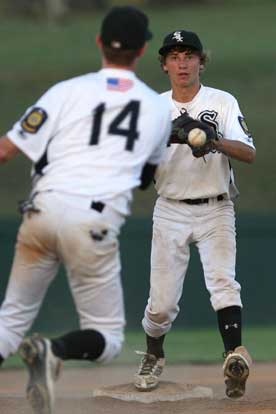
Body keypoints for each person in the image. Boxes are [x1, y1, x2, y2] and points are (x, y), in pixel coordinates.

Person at [0, 6, 172, 414]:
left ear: (99, 42)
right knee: (108, 337)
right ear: (144, 49)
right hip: (92, 222)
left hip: (41, 211)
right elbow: (146, 177)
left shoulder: (66, 91)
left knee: (9, 321)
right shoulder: (156, 108)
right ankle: (53, 349)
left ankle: (36, 346)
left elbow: (6, 150)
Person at [134, 30, 256, 399]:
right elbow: (137, 172)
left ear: (202, 61)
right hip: (170, 209)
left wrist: (213, 140)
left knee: (223, 283)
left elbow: (249, 153)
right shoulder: (152, 108)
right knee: (162, 303)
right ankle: (154, 355)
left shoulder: (221, 102)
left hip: (216, 207)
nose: (182, 62)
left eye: (189, 55)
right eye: (174, 55)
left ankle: (234, 356)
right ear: (164, 65)